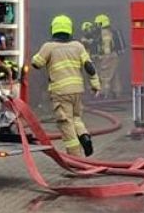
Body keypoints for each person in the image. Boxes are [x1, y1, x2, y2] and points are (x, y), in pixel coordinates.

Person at [33, 14, 99, 155]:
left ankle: (76, 159)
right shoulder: (78, 46)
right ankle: (84, 136)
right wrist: (95, 85)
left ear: (53, 29)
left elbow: (36, 63)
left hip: (60, 93)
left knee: (65, 123)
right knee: (76, 118)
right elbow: (89, 66)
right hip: (77, 90)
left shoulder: (49, 47)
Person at [94, 14, 122, 97]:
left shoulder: (104, 33)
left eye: (97, 24)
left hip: (108, 56)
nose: (96, 26)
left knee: (105, 76)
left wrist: (102, 57)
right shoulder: (111, 31)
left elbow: (106, 48)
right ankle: (116, 92)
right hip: (114, 55)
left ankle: (103, 94)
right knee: (114, 75)